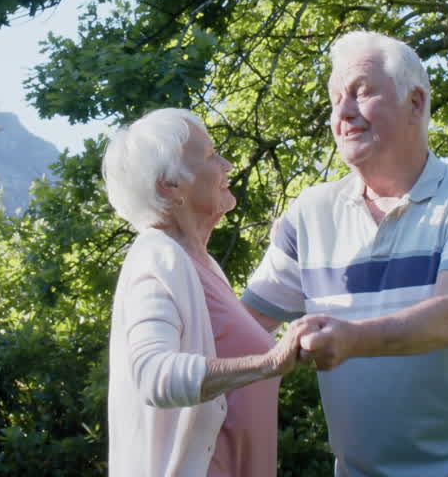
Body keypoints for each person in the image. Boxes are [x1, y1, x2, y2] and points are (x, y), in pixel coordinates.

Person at [241, 31, 448, 477]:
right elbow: (243, 331)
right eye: (336, 99)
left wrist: (350, 340)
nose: (342, 113)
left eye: (360, 93)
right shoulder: (309, 214)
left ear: (416, 102)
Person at [104, 108, 314, 477]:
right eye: (210, 156)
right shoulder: (156, 256)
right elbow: (154, 375)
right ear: (168, 186)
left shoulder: (202, 267)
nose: (227, 164)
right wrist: (268, 363)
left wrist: (290, 246)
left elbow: (237, 340)